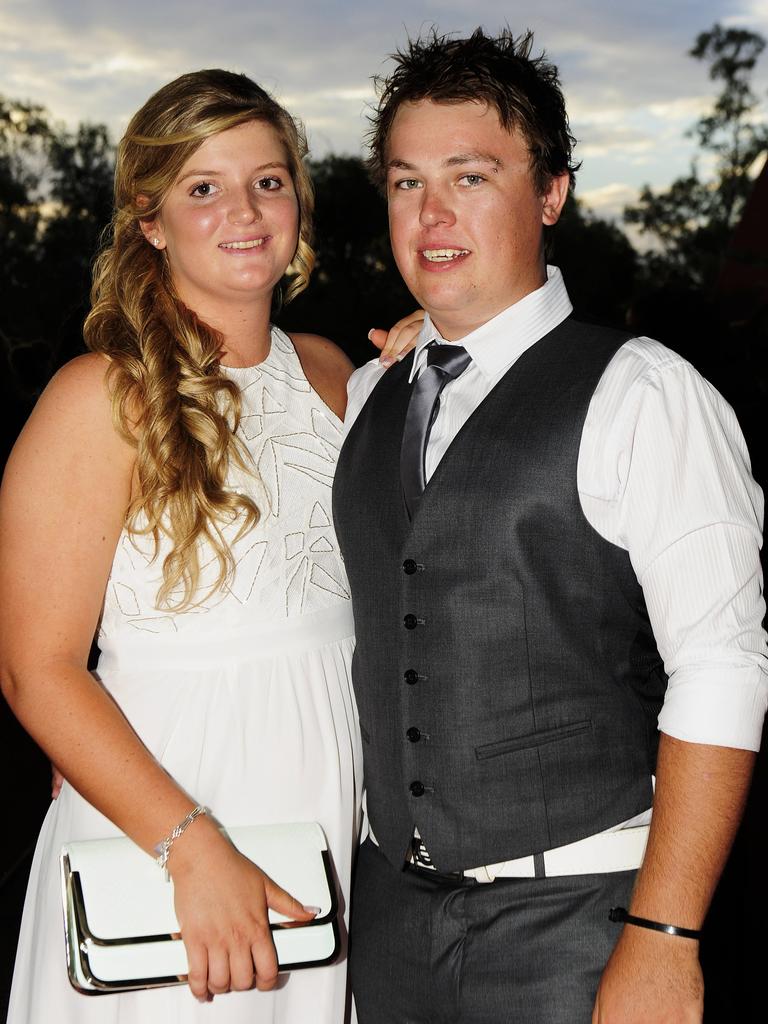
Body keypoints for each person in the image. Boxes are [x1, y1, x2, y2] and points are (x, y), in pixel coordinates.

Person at [332, 27, 768, 1024]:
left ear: (552, 195)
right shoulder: (367, 395)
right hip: (386, 929)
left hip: (578, 926)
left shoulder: (644, 392)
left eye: (471, 176)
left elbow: (725, 666)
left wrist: (665, 936)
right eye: (406, 183)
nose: (432, 215)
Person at [0, 69, 414, 1023]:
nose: (244, 209)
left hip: (326, 803)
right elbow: (38, 670)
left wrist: (439, 347)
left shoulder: (333, 371)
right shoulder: (99, 397)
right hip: (174, 818)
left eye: (268, 181)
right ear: (150, 222)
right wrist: (192, 846)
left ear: (299, 204)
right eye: (203, 187)